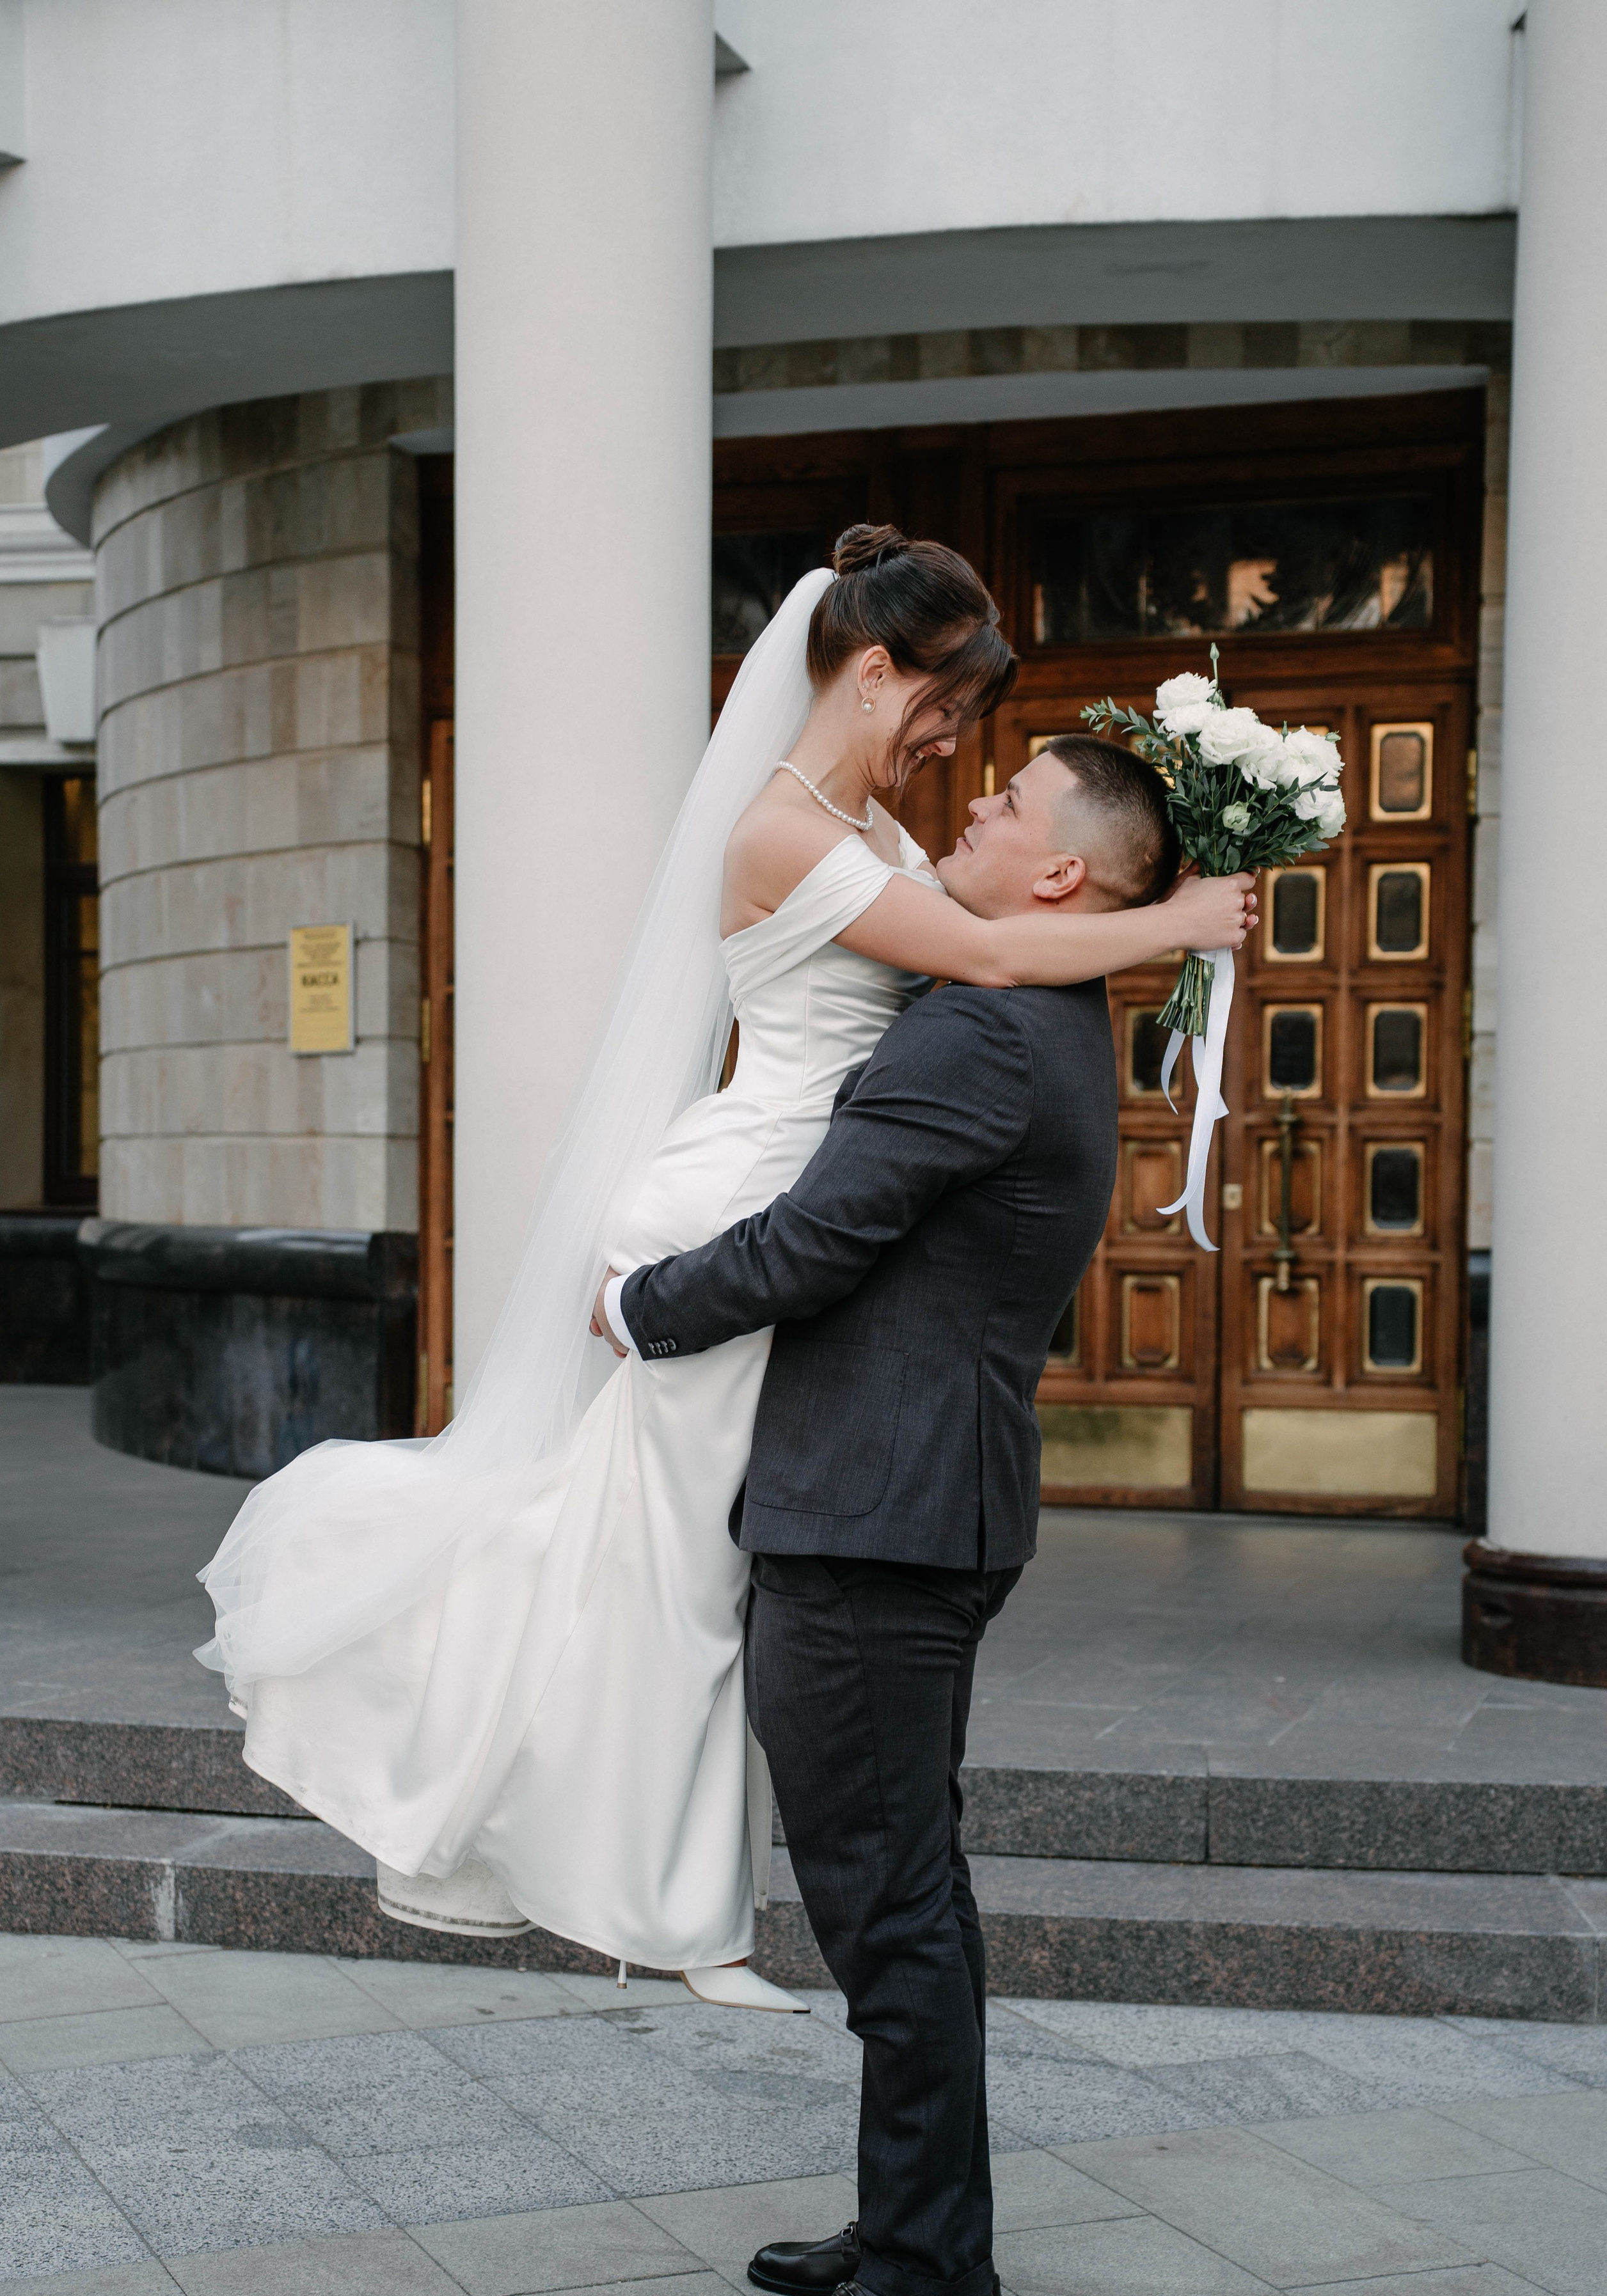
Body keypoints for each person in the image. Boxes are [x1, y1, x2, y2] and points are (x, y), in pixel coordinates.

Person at [196, 527, 1253, 2015]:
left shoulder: (867, 831)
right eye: (946, 711)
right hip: (734, 1204)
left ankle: (686, 1912)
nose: (954, 748)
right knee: (670, 1580)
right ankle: (657, 1901)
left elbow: (988, 946)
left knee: (692, 1577)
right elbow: (1001, 956)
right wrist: (1182, 923)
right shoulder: (777, 832)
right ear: (875, 673)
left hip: (777, 1196)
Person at [592, 740, 1151, 2296]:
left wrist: (642, 1305)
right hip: (918, 1503)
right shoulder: (1038, 1006)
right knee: (914, 1893)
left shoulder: (980, 1024)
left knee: (887, 1909)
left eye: (1002, 807)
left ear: (1058, 876)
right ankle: (914, 2217)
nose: (969, 809)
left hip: (876, 1517)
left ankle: (927, 2280)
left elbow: (819, 1234)